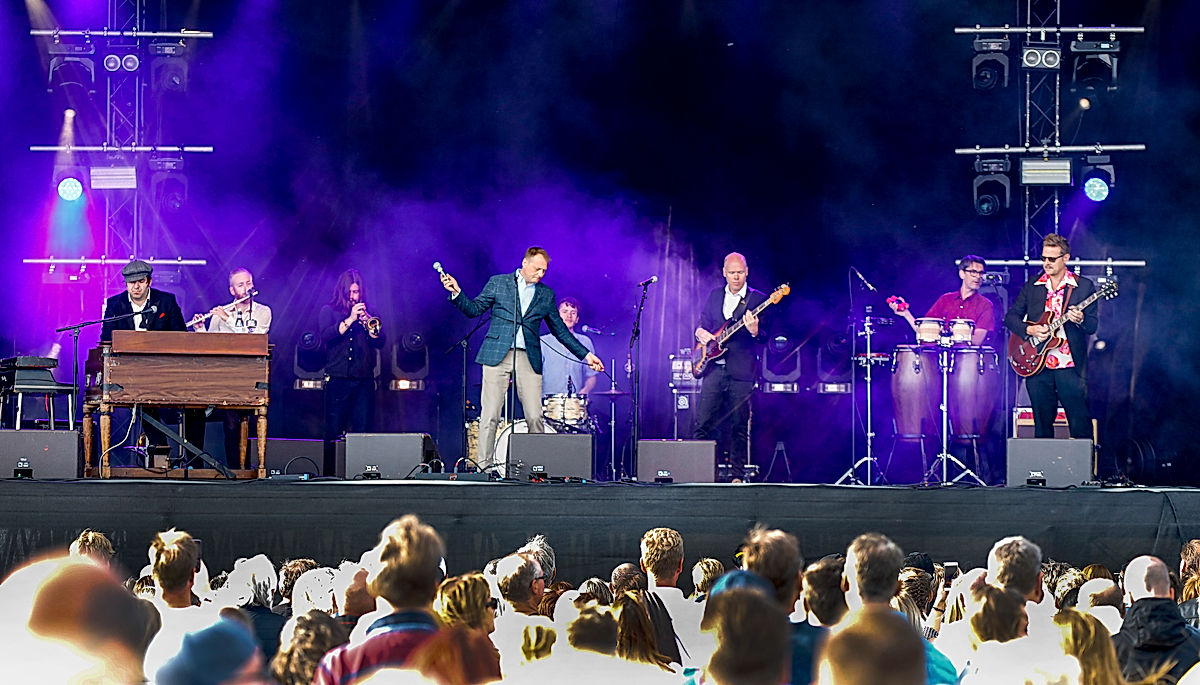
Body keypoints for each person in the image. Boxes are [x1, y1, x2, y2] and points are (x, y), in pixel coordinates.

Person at [440, 247, 604, 472]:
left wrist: (586, 355)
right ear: (524, 264)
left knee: (535, 415)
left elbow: (560, 331)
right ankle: (485, 469)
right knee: (490, 414)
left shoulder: (545, 294)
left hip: (528, 355)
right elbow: (474, 309)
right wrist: (457, 293)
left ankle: (537, 468)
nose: (540, 274)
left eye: (544, 271)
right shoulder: (499, 283)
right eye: (537, 269)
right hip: (497, 352)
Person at [100, 259, 203, 463]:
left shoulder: (166, 301)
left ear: (149, 281)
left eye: (140, 281)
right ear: (126, 284)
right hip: (129, 373)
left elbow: (181, 337)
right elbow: (105, 340)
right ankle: (161, 456)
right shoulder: (115, 304)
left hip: (165, 371)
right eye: (131, 283)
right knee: (143, 401)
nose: (136, 286)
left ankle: (195, 463)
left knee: (195, 404)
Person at [1004, 234, 1099, 439]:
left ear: (1065, 258)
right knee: (1042, 425)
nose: (1046, 263)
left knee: (1079, 422)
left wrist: (1080, 319)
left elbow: (1092, 326)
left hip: (1070, 365)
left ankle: (1083, 469)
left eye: (1052, 259)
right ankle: (1044, 471)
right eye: (1044, 258)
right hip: (1038, 365)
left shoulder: (1083, 287)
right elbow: (1010, 318)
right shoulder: (1033, 285)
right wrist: (1030, 330)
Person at [693, 252, 767, 473]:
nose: (736, 277)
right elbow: (702, 323)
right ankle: (701, 472)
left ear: (747, 272)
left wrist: (755, 332)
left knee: (739, 425)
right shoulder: (715, 295)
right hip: (713, 368)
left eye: (740, 272)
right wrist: (699, 333)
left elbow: (768, 337)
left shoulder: (758, 300)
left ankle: (736, 474)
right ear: (724, 273)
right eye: (732, 273)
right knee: (703, 423)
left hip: (741, 370)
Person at [319, 269, 385, 477]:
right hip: (338, 379)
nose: (354, 296)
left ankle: (361, 473)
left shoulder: (371, 313)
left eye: (357, 292)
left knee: (363, 429)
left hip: (363, 379)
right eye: (351, 292)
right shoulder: (328, 311)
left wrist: (373, 331)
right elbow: (326, 337)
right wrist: (350, 319)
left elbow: (382, 343)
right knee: (334, 429)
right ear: (343, 291)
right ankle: (330, 474)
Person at [889, 255, 996, 346]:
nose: (978, 277)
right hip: (938, 361)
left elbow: (977, 341)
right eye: (973, 272)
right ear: (962, 274)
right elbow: (925, 332)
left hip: (967, 364)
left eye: (981, 273)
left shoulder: (985, 305)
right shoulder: (945, 299)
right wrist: (906, 314)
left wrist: (946, 338)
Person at [539, 297, 599, 397]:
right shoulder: (543, 342)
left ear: (577, 319)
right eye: (565, 311)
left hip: (575, 403)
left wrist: (586, 389)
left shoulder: (585, 342)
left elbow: (591, 375)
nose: (569, 316)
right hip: (548, 402)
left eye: (573, 312)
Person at [191, 267, 272, 334]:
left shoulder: (263, 311)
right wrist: (200, 329)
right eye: (240, 285)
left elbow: (256, 339)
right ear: (232, 290)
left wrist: (227, 318)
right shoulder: (220, 313)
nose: (246, 289)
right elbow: (210, 344)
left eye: (248, 283)